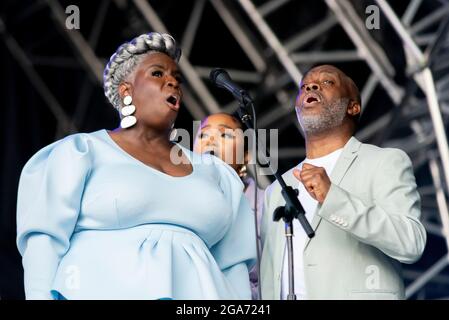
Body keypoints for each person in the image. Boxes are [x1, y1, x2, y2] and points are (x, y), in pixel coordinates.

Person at [16, 32, 256, 300]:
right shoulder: (82, 152)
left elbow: (234, 270)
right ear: (126, 90)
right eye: (158, 74)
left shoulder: (215, 172)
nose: (173, 83)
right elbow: (44, 243)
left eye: (177, 78)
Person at [260, 64, 427, 300]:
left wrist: (333, 198)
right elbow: (270, 274)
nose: (311, 86)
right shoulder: (277, 188)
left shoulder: (385, 161)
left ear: (353, 106)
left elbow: (411, 242)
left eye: (327, 82)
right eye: (304, 86)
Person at [193, 112, 264, 299]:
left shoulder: (265, 205)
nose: (211, 141)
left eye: (225, 135)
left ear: (245, 156)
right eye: (203, 135)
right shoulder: (177, 200)